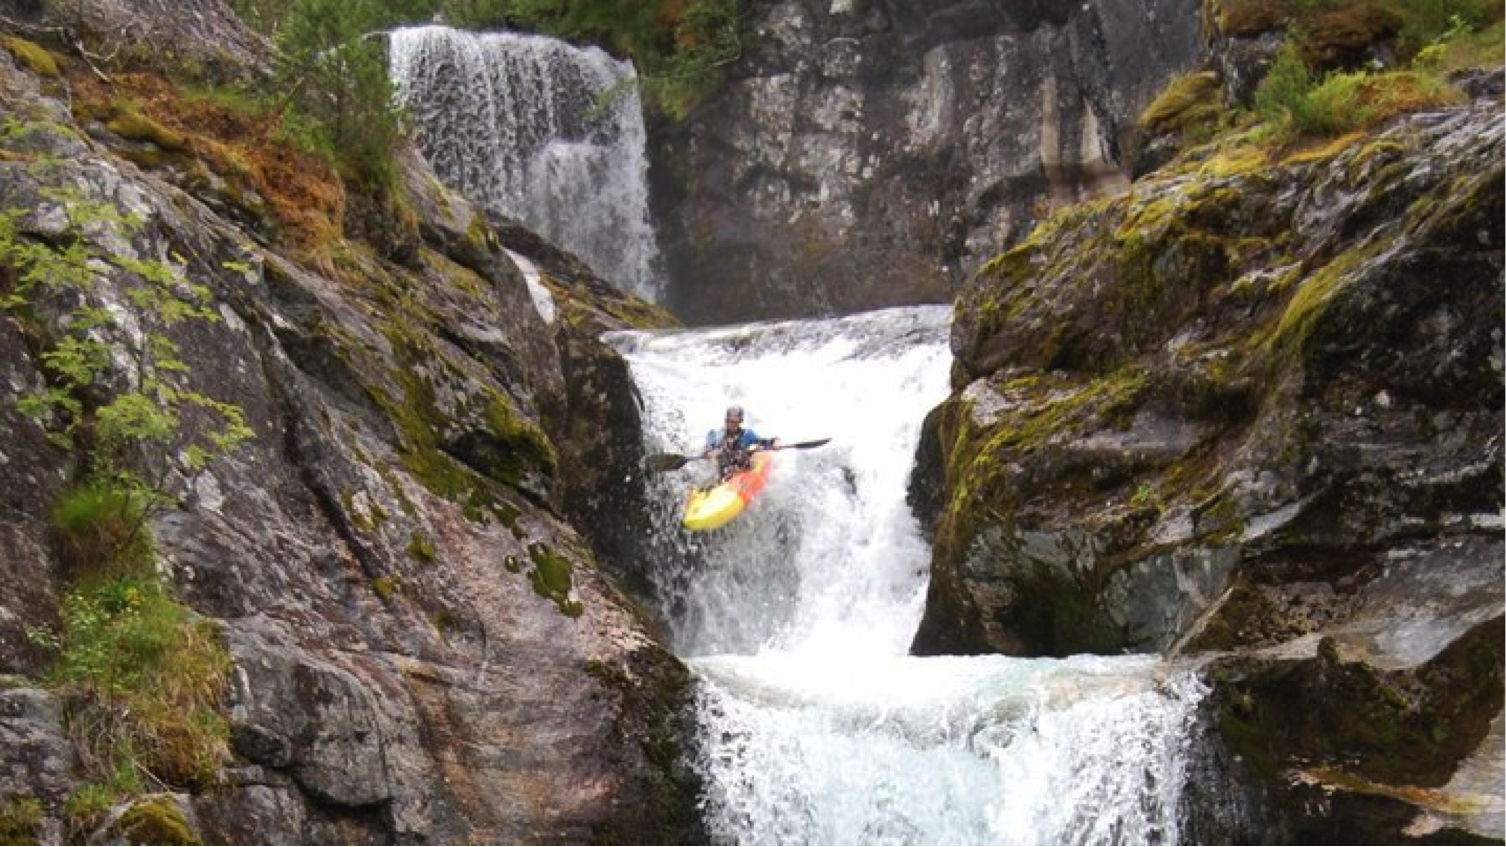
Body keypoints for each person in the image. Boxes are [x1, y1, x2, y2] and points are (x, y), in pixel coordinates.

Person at [704, 405, 777, 480]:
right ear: (726, 420)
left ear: (740, 422)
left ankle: (742, 472)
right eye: (730, 421)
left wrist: (774, 442)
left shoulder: (747, 434)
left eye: (736, 422)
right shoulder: (715, 434)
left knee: (744, 453)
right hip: (724, 469)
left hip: (741, 467)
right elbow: (708, 448)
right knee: (721, 458)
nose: (733, 425)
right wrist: (710, 453)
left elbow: (764, 442)